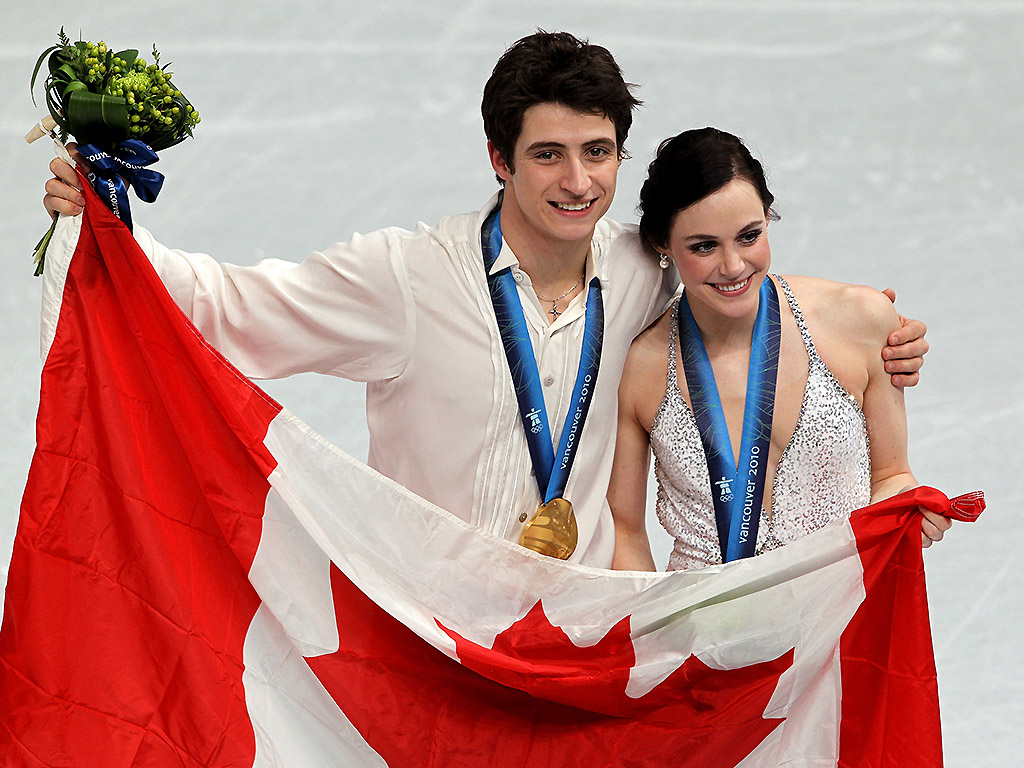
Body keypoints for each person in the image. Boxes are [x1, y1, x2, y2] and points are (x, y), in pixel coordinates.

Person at [39, 32, 929, 568]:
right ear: (500, 158)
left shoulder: (641, 270)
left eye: (598, 151)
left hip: (579, 639)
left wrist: (880, 332)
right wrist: (110, 230)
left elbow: (738, 276)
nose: (578, 181)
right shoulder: (404, 279)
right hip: (429, 630)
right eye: (548, 154)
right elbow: (225, 306)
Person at [608, 127, 948, 572]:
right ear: (662, 245)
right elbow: (625, 531)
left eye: (749, 236)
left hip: (840, 624)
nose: (733, 266)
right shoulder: (638, 367)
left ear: (768, 216)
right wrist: (656, 637)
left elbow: (891, 475)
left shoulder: (859, 320)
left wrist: (908, 509)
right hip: (703, 633)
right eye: (704, 246)